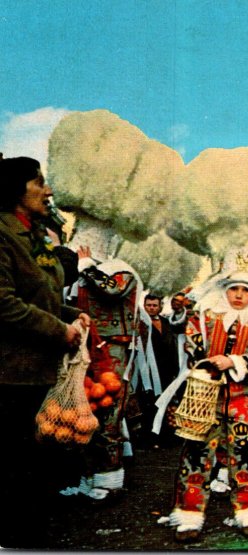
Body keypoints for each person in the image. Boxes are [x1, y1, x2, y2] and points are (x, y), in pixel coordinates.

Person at [0, 156, 90, 547]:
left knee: (36, 462)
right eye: (39, 182)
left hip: (39, 368)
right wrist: (60, 331)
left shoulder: (31, 234)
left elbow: (40, 293)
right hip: (11, 372)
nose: (48, 190)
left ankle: (28, 530)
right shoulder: (2, 235)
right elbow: (4, 303)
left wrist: (73, 314)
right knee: (16, 463)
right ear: (15, 190)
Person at [164, 246, 248, 542]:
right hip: (205, 399)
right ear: (224, 289)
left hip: (241, 399)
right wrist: (204, 360)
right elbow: (191, 341)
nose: (239, 295)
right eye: (234, 289)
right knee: (197, 452)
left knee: (243, 452)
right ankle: (189, 513)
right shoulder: (206, 317)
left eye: (245, 289)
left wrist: (235, 361)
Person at [64, 242, 140, 502]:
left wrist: (86, 267)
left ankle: (109, 479)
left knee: (108, 415)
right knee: (84, 416)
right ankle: (88, 477)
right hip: (83, 351)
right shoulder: (82, 276)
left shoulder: (122, 272)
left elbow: (112, 289)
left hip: (113, 352)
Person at [134, 294, 180, 447]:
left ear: (160, 306)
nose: (152, 308)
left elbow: (173, 345)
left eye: (154, 305)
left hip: (166, 370)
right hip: (147, 370)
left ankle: (165, 436)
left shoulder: (167, 322)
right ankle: (149, 436)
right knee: (148, 403)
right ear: (144, 306)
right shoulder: (140, 324)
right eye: (149, 305)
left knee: (166, 403)